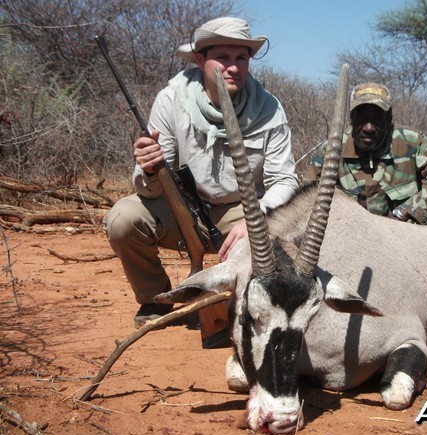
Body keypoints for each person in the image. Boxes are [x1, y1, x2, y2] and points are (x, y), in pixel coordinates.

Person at [105, 17, 299, 328]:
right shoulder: (172, 98)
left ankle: (234, 309)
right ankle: (156, 300)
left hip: (242, 212)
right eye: (223, 57)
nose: (233, 67)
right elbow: (150, 188)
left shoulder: (269, 108)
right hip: (182, 208)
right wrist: (149, 168)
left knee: (281, 239)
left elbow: (285, 180)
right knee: (122, 219)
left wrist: (258, 217)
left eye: (241, 58)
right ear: (200, 60)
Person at [303, 82, 427, 239]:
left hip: (405, 235)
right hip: (352, 239)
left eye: (376, 120)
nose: (368, 128)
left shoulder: (411, 141)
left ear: (389, 120)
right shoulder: (331, 150)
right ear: (351, 119)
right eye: (361, 119)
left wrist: (410, 210)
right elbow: (305, 199)